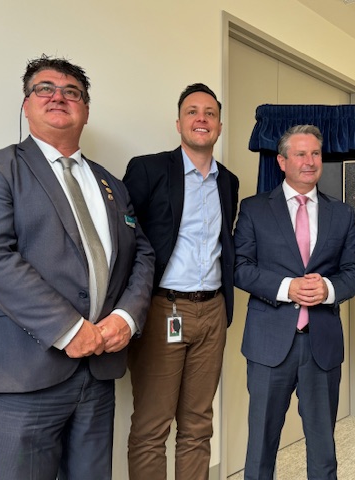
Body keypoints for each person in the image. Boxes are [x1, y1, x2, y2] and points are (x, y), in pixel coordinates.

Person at [0, 55, 155, 480]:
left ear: (85, 110)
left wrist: (126, 316)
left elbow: (142, 253)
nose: (59, 97)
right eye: (44, 88)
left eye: (72, 92)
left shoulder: (110, 183)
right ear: (26, 104)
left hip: (98, 373)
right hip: (23, 374)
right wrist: (69, 328)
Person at [234, 124, 355, 479]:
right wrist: (286, 287)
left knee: (324, 448)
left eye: (316, 154)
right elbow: (239, 268)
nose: (310, 162)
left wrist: (328, 288)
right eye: (301, 154)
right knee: (261, 444)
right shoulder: (255, 209)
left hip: (321, 344)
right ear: (281, 161)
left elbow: (354, 271)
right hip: (268, 345)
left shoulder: (342, 213)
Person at [122, 83, 239, 480]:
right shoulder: (149, 169)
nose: (201, 118)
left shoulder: (228, 181)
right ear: (178, 123)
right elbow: (125, 240)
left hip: (213, 312)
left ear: (220, 126)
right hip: (161, 310)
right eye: (192, 111)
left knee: (198, 426)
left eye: (209, 112)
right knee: (153, 427)